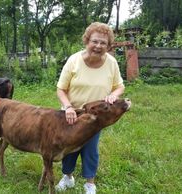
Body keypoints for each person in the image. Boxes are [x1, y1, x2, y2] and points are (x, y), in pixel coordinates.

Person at [55, 22, 125, 194]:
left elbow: (119, 86)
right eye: (95, 41)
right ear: (87, 41)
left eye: (103, 43)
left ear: (108, 46)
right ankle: (68, 177)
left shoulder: (112, 63)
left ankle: (90, 184)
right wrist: (68, 107)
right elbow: (61, 89)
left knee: (90, 149)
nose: (98, 46)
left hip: (97, 115)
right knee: (69, 148)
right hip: (73, 114)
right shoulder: (74, 60)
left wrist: (114, 95)